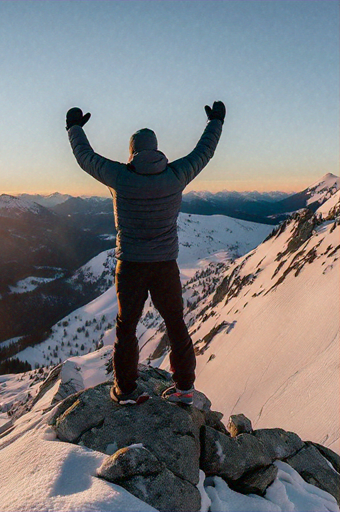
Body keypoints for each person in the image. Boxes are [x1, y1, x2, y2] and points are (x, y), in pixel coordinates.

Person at [66, 101, 225, 405]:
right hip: (165, 264)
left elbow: (85, 158)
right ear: (156, 149)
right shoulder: (177, 174)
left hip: (131, 265)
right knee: (175, 323)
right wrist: (215, 121)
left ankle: (125, 390)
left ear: (133, 151)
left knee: (127, 326)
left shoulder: (120, 176)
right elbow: (205, 151)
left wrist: (74, 127)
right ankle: (184, 388)